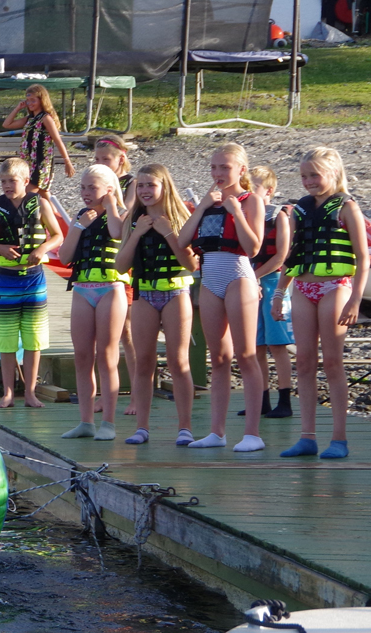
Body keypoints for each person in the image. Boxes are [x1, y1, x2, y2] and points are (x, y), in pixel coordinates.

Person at [275, 148, 369, 459]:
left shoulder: (347, 207)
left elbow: (362, 257)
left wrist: (355, 299)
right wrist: (279, 293)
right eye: (304, 176)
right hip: (303, 287)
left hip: (335, 287)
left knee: (332, 361)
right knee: (304, 361)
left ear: (333, 173)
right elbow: (293, 255)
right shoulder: (300, 210)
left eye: (314, 175)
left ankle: (339, 439)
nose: (309, 181)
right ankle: (307, 437)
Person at [178, 143, 265, 452]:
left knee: (246, 354)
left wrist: (237, 212)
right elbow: (183, 240)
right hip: (210, 278)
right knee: (218, 358)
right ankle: (217, 432)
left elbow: (253, 247)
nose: (218, 173)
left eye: (225, 167)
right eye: (214, 167)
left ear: (241, 170)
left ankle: (252, 433)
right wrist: (202, 207)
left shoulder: (250, 200)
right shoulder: (209, 201)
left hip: (238, 275)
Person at [115, 163, 199, 446]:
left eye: (151, 185)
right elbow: (120, 266)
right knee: (143, 361)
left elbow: (191, 264)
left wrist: (168, 232)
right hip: (145, 294)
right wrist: (137, 233)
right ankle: (142, 427)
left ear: (164, 187)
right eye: (140, 185)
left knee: (178, 360)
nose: (145, 190)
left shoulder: (180, 217)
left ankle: (185, 427)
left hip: (175, 292)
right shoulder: (133, 220)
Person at [0, 158, 63, 408]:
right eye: (3, 181)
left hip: (34, 278)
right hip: (7, 279)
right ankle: (8, 393)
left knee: (34, 338)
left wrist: (43, 248)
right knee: (7, 338)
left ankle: (31, 393)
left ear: (25, 181)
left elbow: (58, 235)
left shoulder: (41, 204)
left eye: (12, 181)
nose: (7, 186)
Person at [58, 165, 127, 440]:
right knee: (82, 356)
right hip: (82, 290)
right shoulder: (81, 216)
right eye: (83, 187)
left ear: (108, 190)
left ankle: (108, 423)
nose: (85, 193)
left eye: (92, 188)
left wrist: (110, 205)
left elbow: (117, 233)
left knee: (107, 355)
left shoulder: (121, 214)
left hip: (110, 288)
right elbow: (65, 256)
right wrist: (78, 226)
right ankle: (86, 422)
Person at [240, 166, 294, 418]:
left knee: (277, 343)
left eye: (254, 188)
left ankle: (285, 401)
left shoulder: (278, 216)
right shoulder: (245, 215)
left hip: (272, 281)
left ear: (269, 191)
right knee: (256, 344)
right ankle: (261, 401)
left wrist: (254, 277)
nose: (249, 192)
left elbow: (281, 257)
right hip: (250, 282)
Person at [92, 135, 137, 415]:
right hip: (101, 262)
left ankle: (137, 393)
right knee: (103, 335)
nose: (101, 164)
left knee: (128, 332)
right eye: (97, 159)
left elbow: (126, 212)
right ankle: (104, 394)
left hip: (124, 261)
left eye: (106, 159)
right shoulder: (96, 183)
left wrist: (109, 201)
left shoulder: (131, 183)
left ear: (120, 159)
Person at [1, 84, 75, 201]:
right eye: (28, 100)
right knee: (44, 194)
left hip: (40, 162)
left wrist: (67, 161)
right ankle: (54, 212)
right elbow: (7, 124)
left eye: (33, 100)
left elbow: (57, 140)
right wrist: (17, 108)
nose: (30, 103)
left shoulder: (45, 118)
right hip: (28, 162)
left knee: (24, 194)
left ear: (41, 100)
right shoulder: (29, 119)